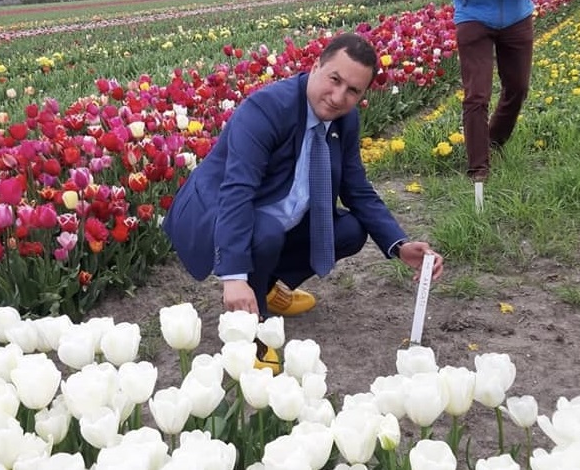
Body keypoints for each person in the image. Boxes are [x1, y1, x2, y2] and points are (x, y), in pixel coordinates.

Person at [163, 33, 444, 321]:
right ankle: (250, 324)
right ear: (315, 66)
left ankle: (266, 285)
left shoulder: (345, 120)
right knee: (266, 233)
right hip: (220, 209)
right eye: (335, 80)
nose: (338, 97)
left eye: (353, 91)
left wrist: (400, 245)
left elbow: (356, 187)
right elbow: (237, 190)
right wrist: (234, 277)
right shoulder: (266, 109)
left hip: (278, 213)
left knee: (350, 229)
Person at [451, 0, 535, 181]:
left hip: (517, 15)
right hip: (473, 16)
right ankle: (478, 169)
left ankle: (493, 140)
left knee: (518, 87)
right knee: (477, 95)